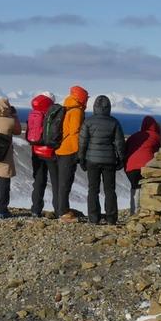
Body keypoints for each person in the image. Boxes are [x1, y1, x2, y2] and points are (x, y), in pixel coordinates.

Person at [77, 95, 126, 224]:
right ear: (108, 108)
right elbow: (119, 143)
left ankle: (93, 218)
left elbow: (82, 142)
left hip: (91, 160)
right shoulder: (114, 122)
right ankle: (111, 218)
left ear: (94, 108)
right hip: (109, 160)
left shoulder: (88, 122)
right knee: (110, 190)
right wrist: (121, 159)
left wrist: (81, 158)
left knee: (93, 189)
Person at [51, 85, 89, 220]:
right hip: (69, 150)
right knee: (65, 182)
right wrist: (79, 152)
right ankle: (63, 211)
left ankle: (61, 209)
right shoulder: (76, 111)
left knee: (62, 181)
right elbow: (75, 132)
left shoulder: (67, 107)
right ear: (82, 97)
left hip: (61, 148)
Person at [122, 115, 161, 213]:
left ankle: (133, 213)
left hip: (130, 168)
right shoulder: (156, 136)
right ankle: (146, 213)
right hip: (147, 167)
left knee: (135, 187)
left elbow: (125, 150)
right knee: (147, 189)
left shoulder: (133, 136)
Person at [25, 93, 56, 218]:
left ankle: (35, 209)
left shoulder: (34, 112)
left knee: (38, 181)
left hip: (36, 150)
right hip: (49, 151)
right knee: (55, 182)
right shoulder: (51, 113)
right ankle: (59, 210)